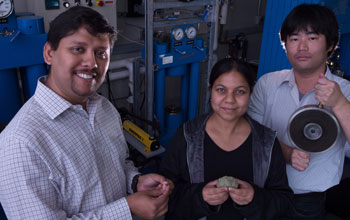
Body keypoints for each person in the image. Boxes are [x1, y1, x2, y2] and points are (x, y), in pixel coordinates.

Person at [0, 6, 173, 220]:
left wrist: (135, 181)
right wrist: (127, 208)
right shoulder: (20, 142)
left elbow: (117, 164)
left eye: (101, 53)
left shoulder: (104, 108)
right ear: (49, 53)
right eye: (78, 49)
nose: (92, 63)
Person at [248, 4, 350, 219]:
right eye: (294, 39)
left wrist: (339, 103)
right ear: (284, 45)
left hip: (308, 199)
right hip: (263, 191)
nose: (302, 47)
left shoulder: (346, 91)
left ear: (331, 45)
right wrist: (286, 152)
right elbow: (250, 134)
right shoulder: (268, 84)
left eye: (312, 38)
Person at [158, 58, 293, 220]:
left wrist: (254, 198)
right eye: (221, 90)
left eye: (240, 91)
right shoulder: (187, 137)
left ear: (250, 93)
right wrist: (201, 197)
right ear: (210, 91)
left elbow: (284, 202)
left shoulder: (267, 142)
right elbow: (164, 193)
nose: (230, 99)